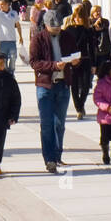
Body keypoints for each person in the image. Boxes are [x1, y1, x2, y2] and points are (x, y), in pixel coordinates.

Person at [30, 9, 79, 173]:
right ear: (45, 25)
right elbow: (34, 62)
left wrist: (75, 60)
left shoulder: (67, 37)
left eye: (58, 27)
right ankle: (49, 159)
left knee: (60, 124)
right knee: (47, 124)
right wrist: (53, 66)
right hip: (45, 85)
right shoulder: (38, 39)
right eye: (53, 27)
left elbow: (75, 54)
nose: (57, 30)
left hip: (63, 84)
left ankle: (57, 155)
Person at [66, 3, 95, 120]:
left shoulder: (88, 30)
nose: (77, 19)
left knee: (86, 85)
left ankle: (80, 104)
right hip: (73, 61)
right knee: (74, 85)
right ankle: (78, 108)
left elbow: (92, 47)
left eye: (80, 17)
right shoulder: (69, 30)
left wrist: (94, 63)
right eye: (75, 17)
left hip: (85, 59)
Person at [92, 4, 111, 73]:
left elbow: (107, 32)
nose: (98, 13)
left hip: (104, 48)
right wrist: (94, 26)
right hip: (94, 49)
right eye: (96, 11)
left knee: (103, 70)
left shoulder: (105, 21)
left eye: (99, 11)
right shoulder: (90, 22)